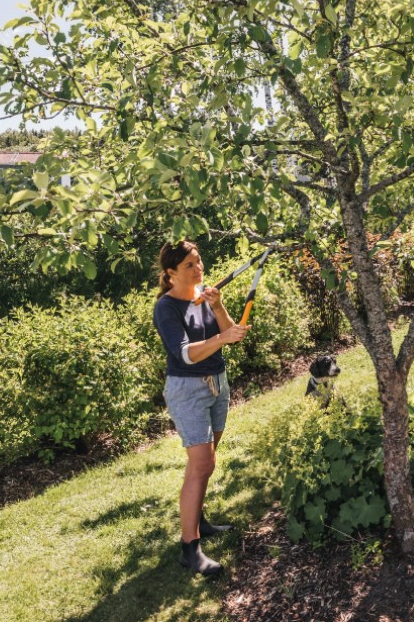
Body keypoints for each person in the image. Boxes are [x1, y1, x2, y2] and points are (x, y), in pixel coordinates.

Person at [154, 240, 250, 576]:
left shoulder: (203, 296)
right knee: (202, 464)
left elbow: (231, 333)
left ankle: (198, 521)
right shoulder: (167, 308)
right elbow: (184, 353)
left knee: (206, 462)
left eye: (199, 261)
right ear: (170, 274)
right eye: (189, 266)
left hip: (217, 383)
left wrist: (219, 306)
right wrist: (222, 340)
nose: (199, 269)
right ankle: (189, 550)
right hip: (187, 389)